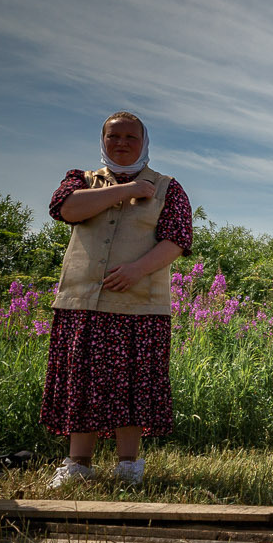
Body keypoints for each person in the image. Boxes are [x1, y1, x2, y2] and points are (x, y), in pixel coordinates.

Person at [43, 111, 192, 488]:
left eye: (130, 137)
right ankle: (78, 464)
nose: (122, 143)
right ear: (102, 141)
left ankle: (128, 465)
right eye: (113, 136)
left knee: (132, 385)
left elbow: (177, 240)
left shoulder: (168, 188)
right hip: (82, 303)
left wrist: (137, 270)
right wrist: (127, 190)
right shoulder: (80, 180)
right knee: (82, 383)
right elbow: (65, 208)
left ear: (144, 142)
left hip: (139, 305)